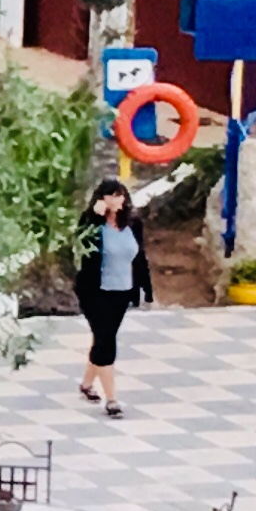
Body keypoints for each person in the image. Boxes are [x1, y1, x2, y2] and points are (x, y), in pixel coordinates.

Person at [77, 176, 153, 418]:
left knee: (103, 339)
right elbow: (80, 243)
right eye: (111, 194)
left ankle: (86, 384)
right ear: (102, 198)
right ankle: (112, 400)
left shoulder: (133, 223)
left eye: (120, 195)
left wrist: (147, 290)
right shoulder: (92, 223)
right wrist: (93, 217)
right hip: (95, 291)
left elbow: (140, 258)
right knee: (106, 341)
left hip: (122, 291)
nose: (117, 200)